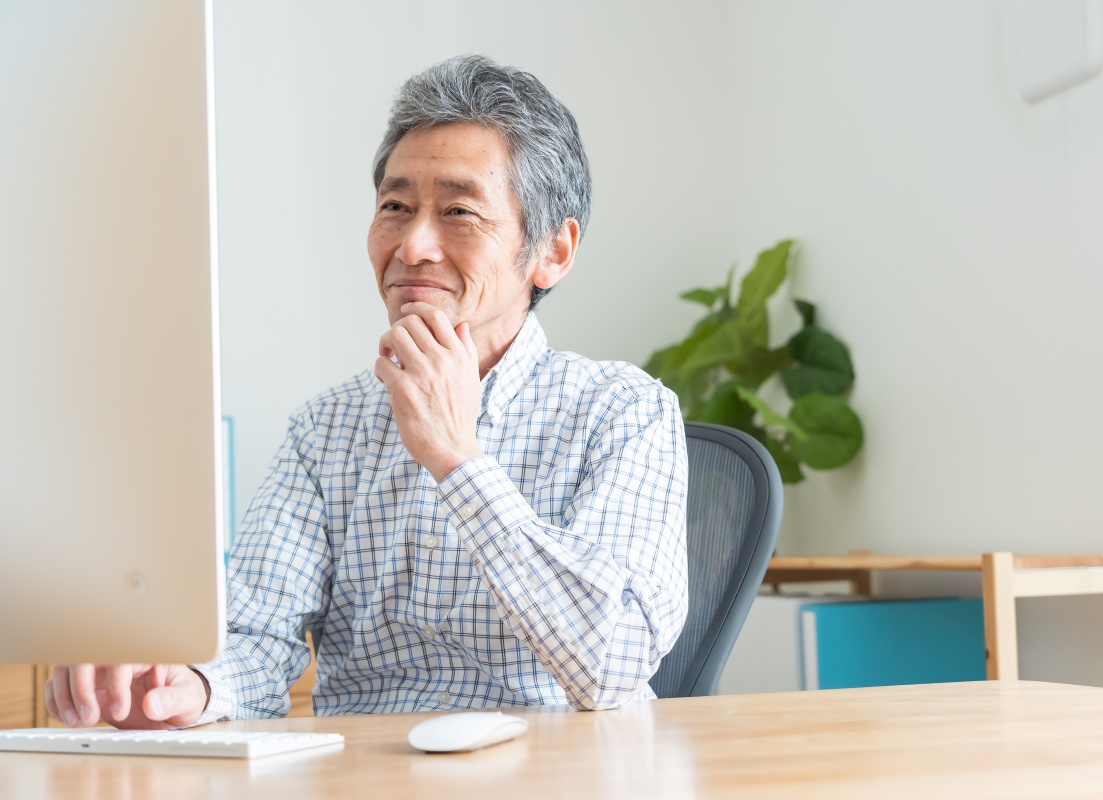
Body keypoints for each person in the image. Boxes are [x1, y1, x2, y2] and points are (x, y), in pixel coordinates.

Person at [45, 55, 689, 728]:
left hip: (562, 771)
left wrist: (457, 460)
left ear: (553, 252)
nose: (412, 245)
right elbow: (257, 638)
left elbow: (613, 662)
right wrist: (187, 688)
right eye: (395, 207)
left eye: (460, 211)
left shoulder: (624, 411)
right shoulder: (326, 429)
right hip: (368, 775)